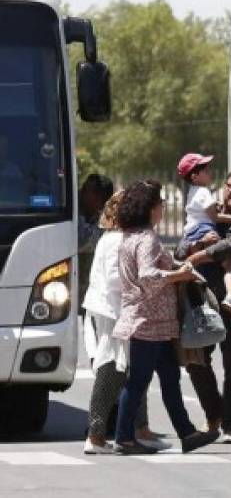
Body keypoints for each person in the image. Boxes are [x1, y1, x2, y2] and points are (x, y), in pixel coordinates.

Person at [112, 179, 219, 455]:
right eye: (160, 204)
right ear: (149, 208)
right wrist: (179, 275)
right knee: (138, 382)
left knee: (170, 378)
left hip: (153, 322)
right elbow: (148, 275)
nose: (162, 209)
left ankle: (187, 433)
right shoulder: (146, 237)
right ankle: (123, 437)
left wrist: (178, 266)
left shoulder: (131, 236)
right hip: (149, 322)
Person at [82, 191, 168, 454]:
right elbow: (112, 279)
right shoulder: (116, 240)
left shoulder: (122, 238)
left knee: (135, 370)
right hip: (112, 311)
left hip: (123, 310)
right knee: (112, 370)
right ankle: (96, 435)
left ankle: (140, 428)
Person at [179, 169, 231, 443]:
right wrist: (198, 244)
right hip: (201, 301)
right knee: (196, 360)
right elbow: (180, 249)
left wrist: (202, 254)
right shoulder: (204, 211)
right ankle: (214, 413)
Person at [177, 153, 231, 317]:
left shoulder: (192, 191)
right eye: (205, 170)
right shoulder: (204, 192)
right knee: (229, 262)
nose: (210, 172)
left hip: (192, 232)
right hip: (205, 230)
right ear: (195, 175)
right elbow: (214, 217)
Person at [77, 173, 114, 307]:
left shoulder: (94, 212)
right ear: (88, 192)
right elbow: (83, 241)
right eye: (99, 199)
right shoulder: (71, 208)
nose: (101, 205)